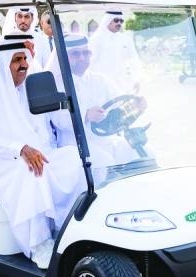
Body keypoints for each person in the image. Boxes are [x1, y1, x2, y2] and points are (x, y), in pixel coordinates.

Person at [0, 39, 83, 269]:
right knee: (30, 171)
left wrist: (37, 149)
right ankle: (38, 244)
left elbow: (39, 129)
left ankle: (67, 228)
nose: (24, 64)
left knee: (73, 158)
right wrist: (20, 149)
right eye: (17, 60)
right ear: (2, 65)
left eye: (25, 58)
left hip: (30, 152)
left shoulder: (25, 89)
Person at [49, 35, 142, 176]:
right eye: (75, 54)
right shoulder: (56, 86)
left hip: (106, 140)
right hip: (75, 146)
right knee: (106, 163)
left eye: (86, 53)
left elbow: (120, 102)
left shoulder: (100, 80)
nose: (82, 58)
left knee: (138, 153)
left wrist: (137, 104)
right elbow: (59, 120)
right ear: (63, 57)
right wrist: (86, 115)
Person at [89, 10, 140, 94]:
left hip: (121, 83)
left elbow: (134, 60)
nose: (119, 23)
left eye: (121, 21)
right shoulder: (96, 39)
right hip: (102, 84)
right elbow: (90, 62)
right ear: (108, 21)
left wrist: (136, 79)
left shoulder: (126, 40)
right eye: (116, 20)